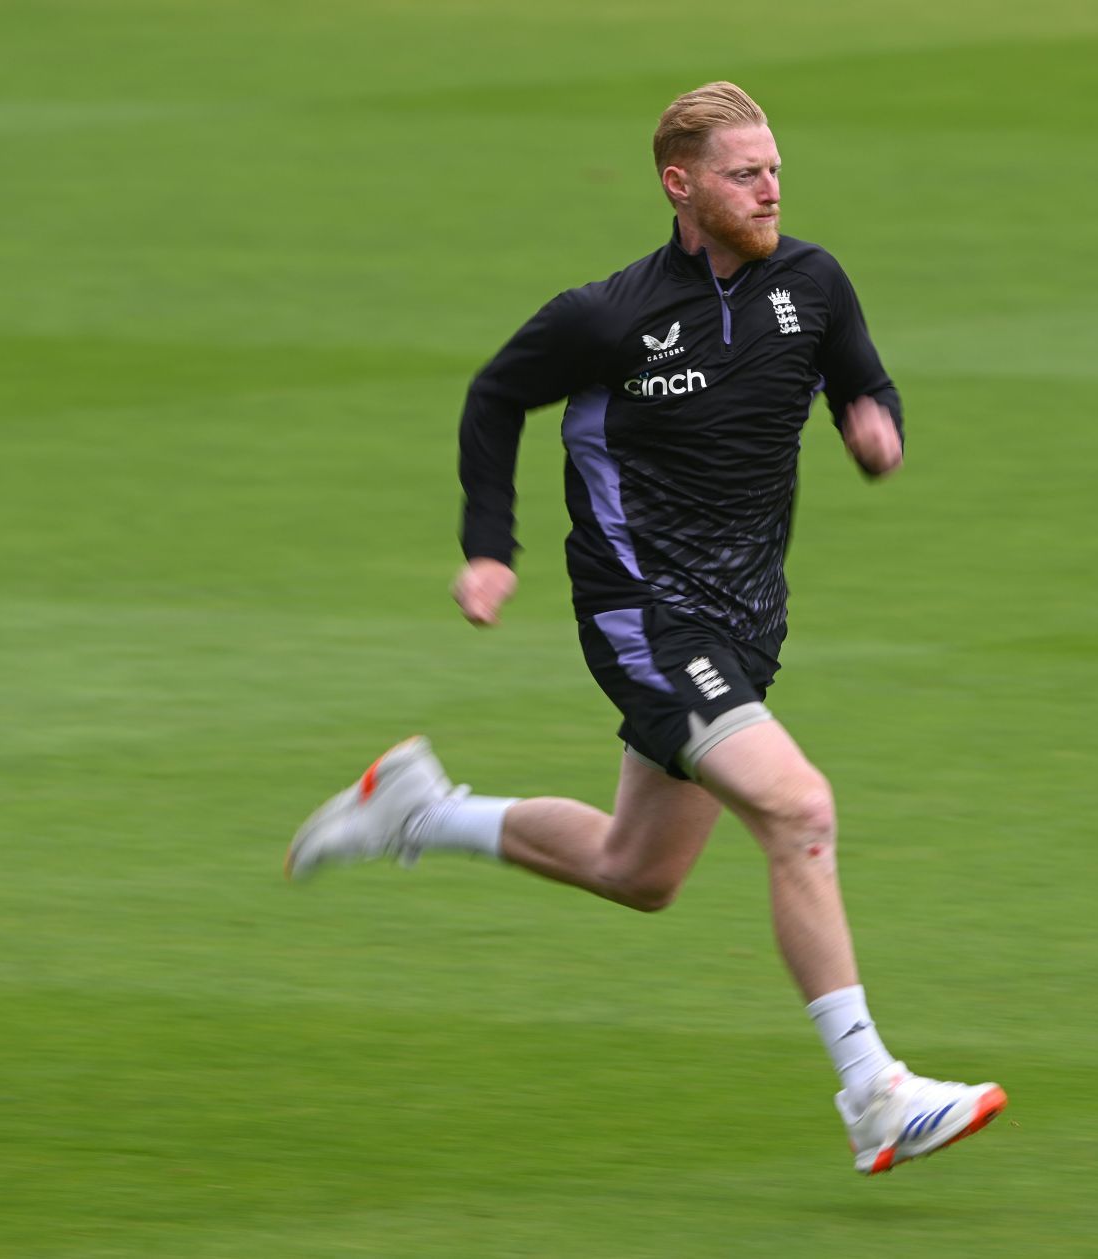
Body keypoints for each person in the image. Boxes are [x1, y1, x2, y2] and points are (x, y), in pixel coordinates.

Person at [287, 81, 1005, 1175]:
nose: (769, 188)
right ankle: (875, 1089)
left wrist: (875, 426)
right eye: (743, 172)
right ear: (680, 185)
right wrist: (492, 546)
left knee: (641, 870)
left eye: (774, 168)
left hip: (749, 620)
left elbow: (862, 379)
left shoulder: (812, 282)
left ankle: (421, 812)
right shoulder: (608, 317)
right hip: (644, 614)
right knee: (799, 807)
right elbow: (493, 397)